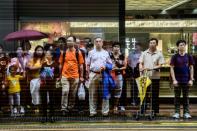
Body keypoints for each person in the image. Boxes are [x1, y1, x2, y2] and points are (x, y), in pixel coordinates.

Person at [86, 37, 112, 117]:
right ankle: (92, 112)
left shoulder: (106, 53)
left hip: (104, 75)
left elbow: (110, 64)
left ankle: (105, 112)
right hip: (93, 74)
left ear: (102, 43)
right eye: (96, 41)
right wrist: (88, 74)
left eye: (99, 41)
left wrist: (106, 67)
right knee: (92, 94)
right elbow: (87, 64)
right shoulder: (90, 52)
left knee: (105, 93)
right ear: (94, 43)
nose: (98, 43)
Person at [139, 38, 165, 116]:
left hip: (155, 76)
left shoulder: (159, 54)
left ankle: (154, 111)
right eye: (151, 43)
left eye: (154, 43)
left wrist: (152, 68)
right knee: (143, 94)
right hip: (144, 76)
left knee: (154, 94)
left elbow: (160, 65)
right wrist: (140, 67)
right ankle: (142, 110)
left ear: (156, 44)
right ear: (149, 44)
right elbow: (140, 62)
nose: (152, 44)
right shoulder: (144, 53)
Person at [59, 35, 84, 115]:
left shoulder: (78, 52)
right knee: (65, 91)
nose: (69, 42)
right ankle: (63, 108)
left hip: (75, 76)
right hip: (65, 75)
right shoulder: (64, 52)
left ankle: (70, 108)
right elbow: (60, 64)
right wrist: (60, 75)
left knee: (73, 93)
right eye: (68, 41)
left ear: (74, 42)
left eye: (70, 40)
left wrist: (82, 76)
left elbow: (81, 65)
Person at [170, 40, 194, 119]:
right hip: (177, 80)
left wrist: (191, 79)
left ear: (185, 46)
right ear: (178, 47)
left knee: (186, 97)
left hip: (186, 80)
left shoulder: (189, 56)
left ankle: (186, 112)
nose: (182, 46)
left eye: (183, 45)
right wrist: (174, 80)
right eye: (180, 45)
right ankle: (176, 112)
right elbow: (172, 68)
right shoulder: (174, 56)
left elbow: (191, 68)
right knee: (177, 97)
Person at [40, 50, 59, 123]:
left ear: (51, 56)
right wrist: (43, 75)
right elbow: (40, 74)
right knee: (44, 101)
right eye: (46, 54)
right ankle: (44, 116)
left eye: (47, 54)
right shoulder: (43, 64)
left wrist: (53, 76)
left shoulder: (55, 64)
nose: (46, 55)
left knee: (52, 101)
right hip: (44, 85)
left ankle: (52, 116)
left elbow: (57, 75)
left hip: (52, 85)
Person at [27, 45, 45, 113]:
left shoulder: (44, 59)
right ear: (35, 51)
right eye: (38, 50)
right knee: (34, 94)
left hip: (42, 80)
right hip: (34, 79)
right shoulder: (32, 59)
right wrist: (40, 67)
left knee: (42, 94)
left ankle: (42, 107)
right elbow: (30, 68)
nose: (39, 51)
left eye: (41, 50)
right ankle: (36, 107)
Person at [110, 42, 126, 114]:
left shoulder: (122, 56)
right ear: (112, 48)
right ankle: (109, 106)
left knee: (118, 91)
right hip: (109, 75)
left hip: (118, 75)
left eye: (118, 47)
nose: (116, 48)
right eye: (115, 46)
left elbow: (125, 66)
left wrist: (118, 69)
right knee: (109, 90)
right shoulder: (108, 55)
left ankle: (115, 106)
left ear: (119, 48)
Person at [0, 45, 9, 113]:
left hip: (3, 79)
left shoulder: (6, 58)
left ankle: (5, 109)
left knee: (4, 93)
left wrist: (5, 81)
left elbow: (8, 70)